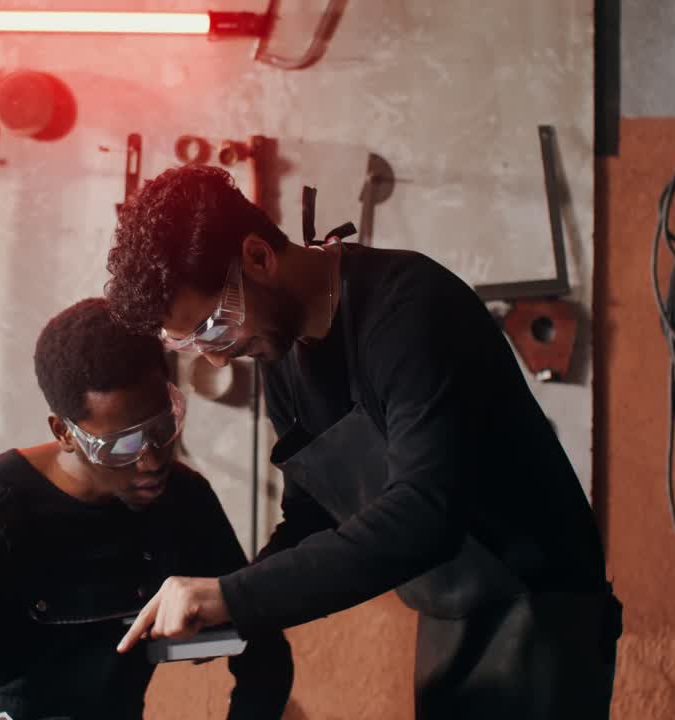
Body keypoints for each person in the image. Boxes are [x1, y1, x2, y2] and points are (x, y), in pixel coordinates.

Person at [106, 165, 622, 719]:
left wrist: (236, 597)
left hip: (540, 609)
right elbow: (314, 515)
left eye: (214, 327)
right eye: (192, 344)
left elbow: (427, 513)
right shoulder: (282, 354)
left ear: (258, 257)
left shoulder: (410, 311)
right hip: (451, 612)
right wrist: (228, 602)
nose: (215, 356)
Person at [0, 297, 293, 720]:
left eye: (163, 427)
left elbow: (263, 652)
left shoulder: (184, 501)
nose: (152, 460)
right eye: (123, 445)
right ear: (64, 433)